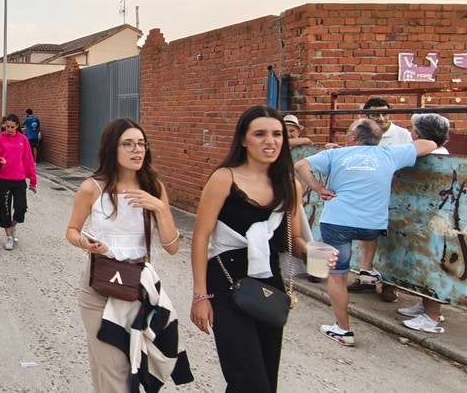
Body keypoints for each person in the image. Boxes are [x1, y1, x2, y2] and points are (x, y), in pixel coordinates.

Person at [191, 105, 314, 391]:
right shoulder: (225, 178)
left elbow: (291, 240)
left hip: (270, 284)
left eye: (277, 134)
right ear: (244, 140)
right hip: (225, 281)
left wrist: (314, 252)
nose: (270, 141)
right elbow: (200, 237)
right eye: (260, 134)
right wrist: (200, 295)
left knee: (265, 380)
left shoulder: (290, 185)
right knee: (247, 378)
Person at [66, 118, 190, 392]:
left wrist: (160, 208)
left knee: (132, 365)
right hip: (99, 286)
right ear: (112, 148)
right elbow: (72, 231)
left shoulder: (153, 187)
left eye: (141, 144)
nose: (137, 150)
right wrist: (84, 242)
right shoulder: (92, 188)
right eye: (128, 144)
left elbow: (172, 247)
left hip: (138, 287)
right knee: (114, 372)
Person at [295, 118, 436, 347]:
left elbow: (300, 164)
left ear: (353, 137)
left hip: (338, 222)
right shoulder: (389, 154)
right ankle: (367, 270)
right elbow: (429, 145)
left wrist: (319, 188)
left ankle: (343, 330)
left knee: (338, 276)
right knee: (366, 239)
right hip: (373, 226)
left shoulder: (335, 155)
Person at [348, 97, 414, 300]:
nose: (382, 118)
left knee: (394, 239)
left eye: (385, 113)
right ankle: (366, 278)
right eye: (376, 114)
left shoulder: (402, 134)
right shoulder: (361, 134)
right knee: (368, 238)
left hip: (397, 194)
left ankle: (390, 284)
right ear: (366, 116)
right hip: (371, 194)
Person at [397, 113, 452, 333]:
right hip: (426, 219)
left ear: (419, 133)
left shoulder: (433, 155)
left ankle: (432, 317)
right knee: (422, 265)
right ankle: (425, 305)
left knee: (430, 265)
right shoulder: (440, 153)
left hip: (435, 222)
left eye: (413, 130)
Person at [0, 113, 37, 250]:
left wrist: (33, 180)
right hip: (3, 180)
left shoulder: (23, 139)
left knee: (21, 208)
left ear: (17, 126)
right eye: (7, 126)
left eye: (12, 127)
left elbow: (28, 160)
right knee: (5, 209)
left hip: (19, 179)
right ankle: (9, 237)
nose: (9, 129)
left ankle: (12, 226)